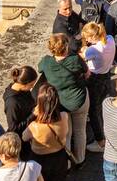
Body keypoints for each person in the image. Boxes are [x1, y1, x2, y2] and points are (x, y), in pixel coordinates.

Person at [36, 33, 89, 165]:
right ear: (66, 46)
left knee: (66, 133)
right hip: (79, 100)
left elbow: (39, 69)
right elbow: (87, 73)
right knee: (80, 131)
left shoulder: (47, 62)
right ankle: (80, 160)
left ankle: (68, 163)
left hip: (60, 103)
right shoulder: (75, 59)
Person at [80, 20, 116, 152]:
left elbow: (81, 57)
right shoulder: (110, 39)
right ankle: (104, 134)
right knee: (100, 107)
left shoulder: (93, 49)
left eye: (87, 38)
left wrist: (84, 48)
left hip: (94, 79)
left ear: (92, 37)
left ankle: (100, 141)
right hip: (106, 75)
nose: (86, 40)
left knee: (94, 111)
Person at [3, 65, 40, 153]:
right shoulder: (12, 102)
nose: (32, 87)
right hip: (22, 141)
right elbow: (13, 128)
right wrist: (33, 115)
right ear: (23, 84)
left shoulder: (24, 90)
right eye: (31, 85)